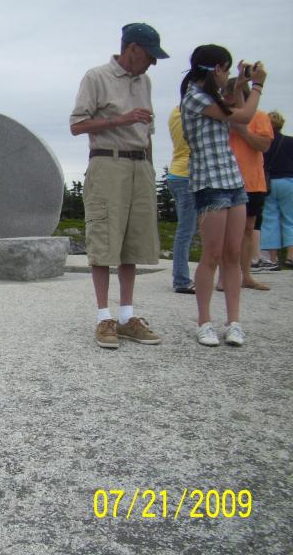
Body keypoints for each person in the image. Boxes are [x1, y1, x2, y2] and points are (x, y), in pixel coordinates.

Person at [70, 23, 167, 349]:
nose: (152, 63)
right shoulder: (96, 77)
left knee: (132, 243)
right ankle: (103, 319)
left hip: (140, 166)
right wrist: (119, 120)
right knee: (104, 242)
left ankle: (126, 318)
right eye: (150, 55)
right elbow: (76, 124)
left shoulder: (146, 81)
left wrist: (150, 170)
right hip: (107, 162)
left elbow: (148, 130)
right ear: (133, 48)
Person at [180, 45, 267, 347]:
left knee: (233, 254)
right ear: (216, 69)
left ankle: (234, 322)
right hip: (210, 182)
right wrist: (257, 86)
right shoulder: (195, 98)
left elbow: (236, 112)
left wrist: (241, 86)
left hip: (232, 180)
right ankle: (204, 321)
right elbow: (243, 114)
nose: (228, 75)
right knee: (212, 255)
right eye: (227, 70)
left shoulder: (212, 97)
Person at [224, 78, 273, 290]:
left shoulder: (260, 117)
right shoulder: (221, 116)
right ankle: (224, 277)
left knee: (247, 230)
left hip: (253, 182)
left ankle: (246, 275)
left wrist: (243, 131)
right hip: (225, 180)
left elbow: (264, 145)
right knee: (224, 230)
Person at [167, 106, 197, 294]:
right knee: (186, 232)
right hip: (189, 174)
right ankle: (181, 279)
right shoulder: (198, 111)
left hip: (175, 173)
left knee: (185, 231)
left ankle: (181, 277)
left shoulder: (175, 112)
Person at [260, 110, 293, 269]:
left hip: (268, 183)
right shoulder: (290, 141)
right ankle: (291, 256)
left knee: (269, 220)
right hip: (288, 182)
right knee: (290, 220)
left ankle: (271, 259)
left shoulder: (264, 142)